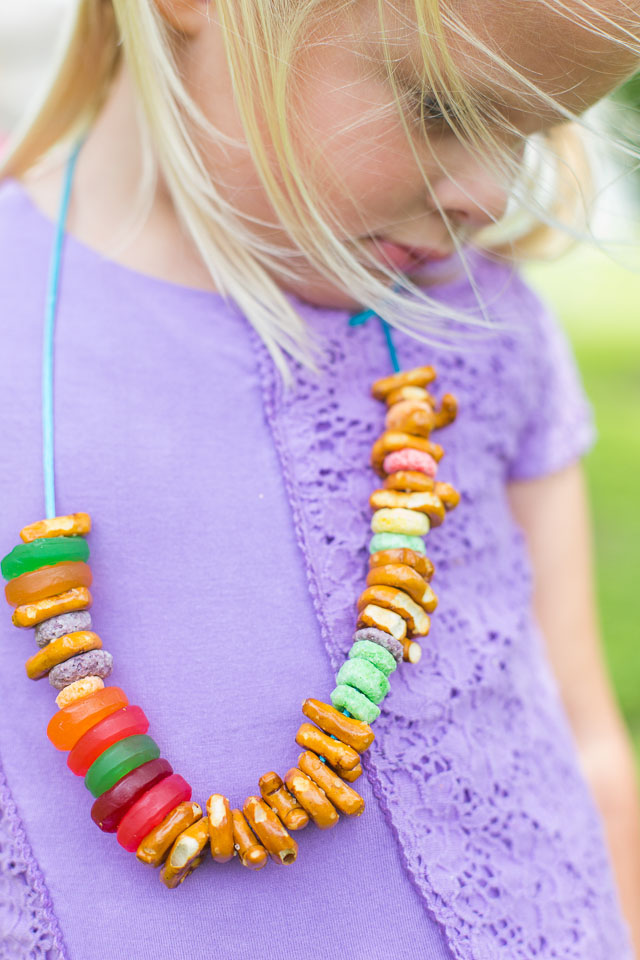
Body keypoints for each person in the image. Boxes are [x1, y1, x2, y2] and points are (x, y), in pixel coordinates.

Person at [0, 0, 639, 957]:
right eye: (441, 108)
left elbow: (587, 738)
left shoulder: (476, 334)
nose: (492, 195)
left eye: (533, 133)